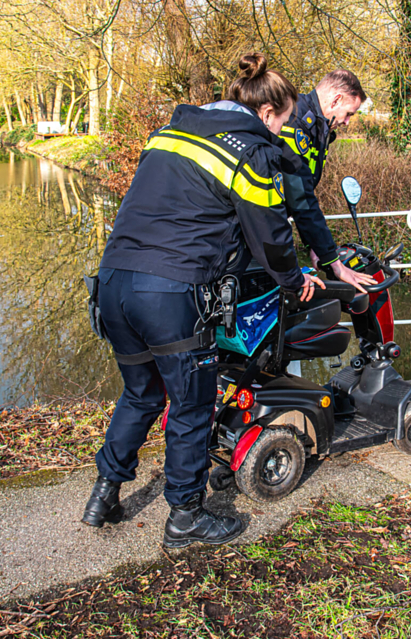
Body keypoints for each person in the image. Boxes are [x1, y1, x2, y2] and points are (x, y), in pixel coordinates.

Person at [82, 53, 325, 548]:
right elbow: (271, 233)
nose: (283, 132)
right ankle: (186, 517)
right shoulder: (248, 150)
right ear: (266, 113)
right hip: (170, 292)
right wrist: (292, 278)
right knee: (192, 404)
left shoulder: (172, 133)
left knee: (140, 394)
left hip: (113, 282)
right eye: (283, 121)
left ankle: (103, 494)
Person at [280, 70, 376, 292]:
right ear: (336, 100)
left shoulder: (314, 127)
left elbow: (302, 197)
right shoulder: (295, 124)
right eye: (349, 113)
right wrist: (334, 263)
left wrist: (318, 248)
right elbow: (300, 199)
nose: (348, 122)